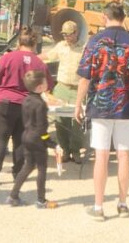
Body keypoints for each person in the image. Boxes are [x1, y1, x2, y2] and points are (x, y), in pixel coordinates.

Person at [74, 1, 129, 221]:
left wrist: (78, 104)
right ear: (124, 18)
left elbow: (85, 78)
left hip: (100, 106)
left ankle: (98, 207)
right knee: (125, 155)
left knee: (102, 156)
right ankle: (123, 204)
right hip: (125, 106)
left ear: (104, 18)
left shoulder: (95, 41)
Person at [0, 26, 54, 185]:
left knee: (1, 138)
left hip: (5, 101)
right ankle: (18, 172)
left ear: (19, 42)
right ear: (35, 44)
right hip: (27, 104)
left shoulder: (8, 57)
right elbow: (47, 85)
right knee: (20, 140)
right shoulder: (39, 62)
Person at [7, 69, 60, 209]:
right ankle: (41, 200)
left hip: (26, 136)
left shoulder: (26, 100)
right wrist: (52, 143)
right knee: (42, 169)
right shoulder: (41, 104)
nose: (47, 83)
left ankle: (13, 195)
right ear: (40, 87)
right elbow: (42, 128)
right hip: (37, 139)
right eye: (45, 82)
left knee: (28, 166)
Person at [41, 20, 85, 163]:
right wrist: (28, 57)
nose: (66, 37)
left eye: (69, 34)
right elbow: (47, 56)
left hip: (77, 89)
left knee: (77, 123)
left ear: (76, 32)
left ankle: (76, 151)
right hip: (61, 88)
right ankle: (65, 150)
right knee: (60, 122)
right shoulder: (61, 46)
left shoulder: (84, 47)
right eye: (64, 35)